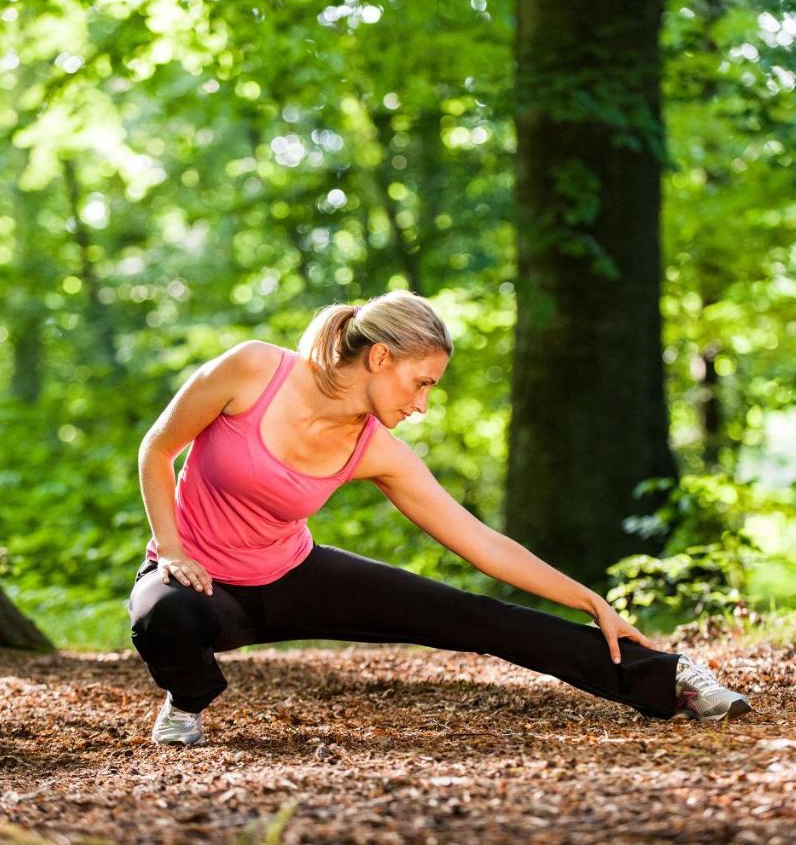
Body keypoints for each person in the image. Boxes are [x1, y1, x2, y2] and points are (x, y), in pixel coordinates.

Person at [128, 290, 750, 745]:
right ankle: (188, 700)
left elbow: (479, 543)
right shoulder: (253, 371)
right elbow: (157, 448)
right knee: (165, 615)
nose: (423, 404)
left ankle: (669, 680)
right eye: (420, 383)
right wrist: (172, 549)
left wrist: (589, 600)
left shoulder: (375, 450)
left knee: (478, 616)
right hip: (196, 578)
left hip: (290, 576)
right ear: (378, 358)